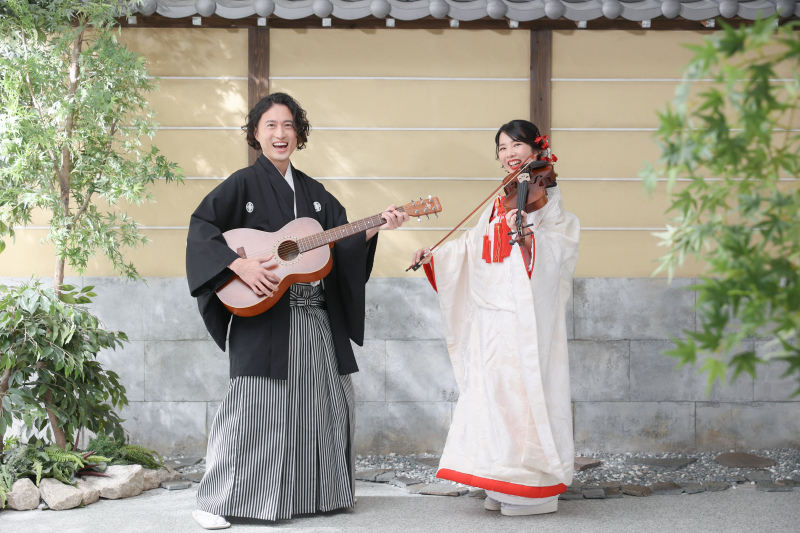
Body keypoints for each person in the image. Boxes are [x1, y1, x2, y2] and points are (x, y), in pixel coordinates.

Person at [186, 92, 408, 528]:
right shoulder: (241, 185)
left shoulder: (316, 194)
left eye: (288, 125)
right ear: (256, 133)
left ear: (299, 134)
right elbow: (202, 231)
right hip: (266, 318)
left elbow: (337, 245)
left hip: (315, 317)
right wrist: (239, 263)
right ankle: (215, 502)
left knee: (322, 404)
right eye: (270, 125)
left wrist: (375, 227)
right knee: (252, 407)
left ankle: (311, 494)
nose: (280, 134)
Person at [411, 119, 580, 516]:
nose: (509, 153)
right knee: (491, 396)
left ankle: (528, 485)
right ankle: (497, 477)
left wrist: (529, 238)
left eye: (517, 144)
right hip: (490, 318)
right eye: (502, 147)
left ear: (536, 149)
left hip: (522, 316)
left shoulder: (544, 194)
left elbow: (562, 244)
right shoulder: (499, 199)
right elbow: (474, 245)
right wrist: (436, 256)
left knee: (521, 395)